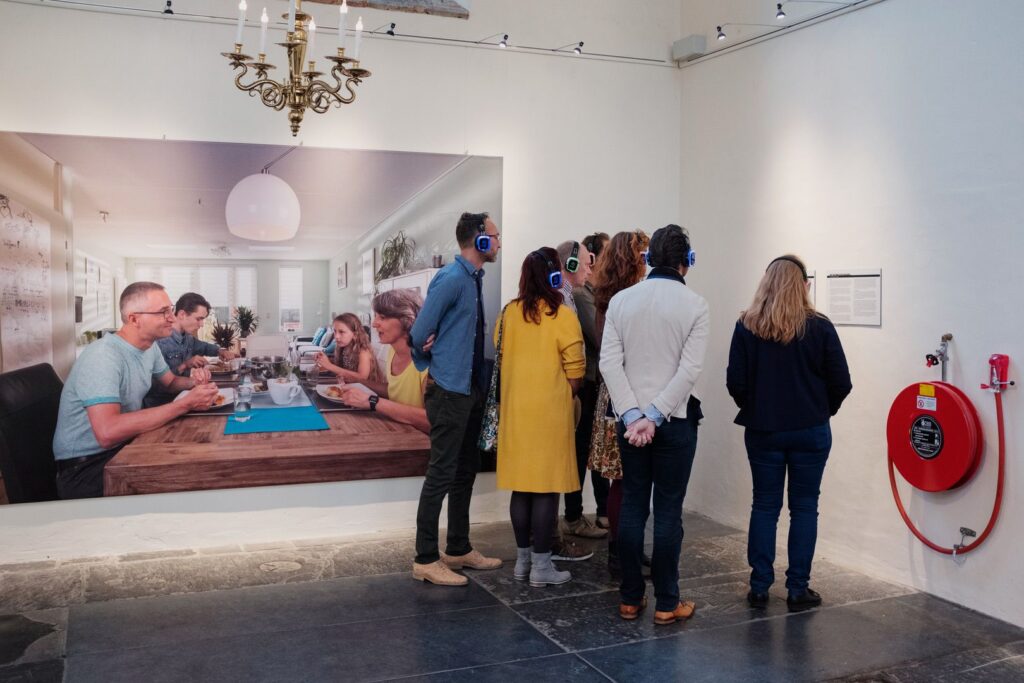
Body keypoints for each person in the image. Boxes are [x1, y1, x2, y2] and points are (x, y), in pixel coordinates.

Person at [726, 255, 852, 613]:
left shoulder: (747, 326)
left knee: (765, 505)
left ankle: (759, 586)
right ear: (804, 286)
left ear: (765, 283)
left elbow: (735, 382)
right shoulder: (820, 327)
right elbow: (842, 382)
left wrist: (757, 406)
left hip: (764, 430)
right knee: (805, 507)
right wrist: (820, 409)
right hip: (810, 431)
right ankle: (797, 588)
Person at [600, 224, 708, 625]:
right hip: (674, 422)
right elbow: (689, 370)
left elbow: (609, 363)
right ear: (687, 262)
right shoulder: (696, 305)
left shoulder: (622, 301)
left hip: (630, 426)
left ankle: (630, 598)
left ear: (649, 260)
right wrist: (656, 416)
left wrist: (633, 415)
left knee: (632, 505)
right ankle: (667, 602)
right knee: (667, 511)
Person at [52, 282, 220, 499]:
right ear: (134, 319)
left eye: (170, 310)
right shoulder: (103, 356)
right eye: (163, 312)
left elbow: (170, 383)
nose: (172, 318)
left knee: (197, 458)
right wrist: (185, 404)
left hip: (123, 447)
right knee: (190, 478)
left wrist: (194, 383)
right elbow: (107, 433)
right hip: (86, 468)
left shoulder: (149, 348)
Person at [407, 211, 504, 586]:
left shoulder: (473, 278)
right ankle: (425, 558)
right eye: (494, 236)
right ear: (479, 239)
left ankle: (459, 547)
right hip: (449, 390)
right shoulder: (451, 279)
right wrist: (431, 360)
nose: (498, 243)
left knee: (465, 470)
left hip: (469, 389)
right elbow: (419, 333)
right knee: (442, 473)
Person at [496, 248, 586, 586]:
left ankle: (522, 564)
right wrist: (565, 389)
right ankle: (542, 567)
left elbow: (500, 351)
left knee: (522, 488)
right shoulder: (562, 315)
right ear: (554, 276)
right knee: (547, 489)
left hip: (516, 412)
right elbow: (576, 371)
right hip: (550, 412)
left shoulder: (508, 313)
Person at [587, 230, 649, 577]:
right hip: (623, 396)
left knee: (625, 481)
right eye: (643, 256)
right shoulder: (623, 299)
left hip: (614, 393)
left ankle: (626, 549)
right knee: (625, 481)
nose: (647, 263)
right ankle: (621, 552)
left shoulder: (606, 295)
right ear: (633, 260)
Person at [551, 240, 608, 544]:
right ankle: (570, 520)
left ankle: (570, 520)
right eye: (586, 263)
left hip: (575, 387)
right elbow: (594, 341)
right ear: (570, 265)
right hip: (573, 387)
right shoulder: (567, 297)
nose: (591, 268)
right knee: (574, 452)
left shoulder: (572, 295)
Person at [338, 289, 430, 434]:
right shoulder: (392, 351)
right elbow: (394, 391)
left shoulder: (428, 363)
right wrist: (358, 382)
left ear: (408, 320)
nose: (374, 324)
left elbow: (432, 421)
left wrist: (372, 401)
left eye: (383, 317)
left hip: (420, 441)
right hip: (397, 430)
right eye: (376, 316)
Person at [575, 232, 611, 530]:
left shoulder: (600, 294)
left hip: (599, 382)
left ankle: (603, 510)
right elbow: (602, 339)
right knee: (582, 448)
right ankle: (574, 514)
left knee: (599, 448)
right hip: (587, 384)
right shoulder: (582, 295)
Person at [145, 292, 235, 406]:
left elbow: (204, 347)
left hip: (183, 398)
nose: (201, 324)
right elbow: (155, 386)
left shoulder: (187, 337)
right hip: (162, 405)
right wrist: (185, 365)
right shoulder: (158, 341)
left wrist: (220, 351)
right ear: (182, 314)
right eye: (198, 319)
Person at [315, 312, 385, 384]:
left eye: (341, 332)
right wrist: (324, 360)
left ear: (355, 334)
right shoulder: (343, 347)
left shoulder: (363, 352)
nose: (336, 336)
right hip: (348, 385)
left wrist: (329, 366)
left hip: (365, 389)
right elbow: (342, 367)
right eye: (335, 331)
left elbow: (362, 377)